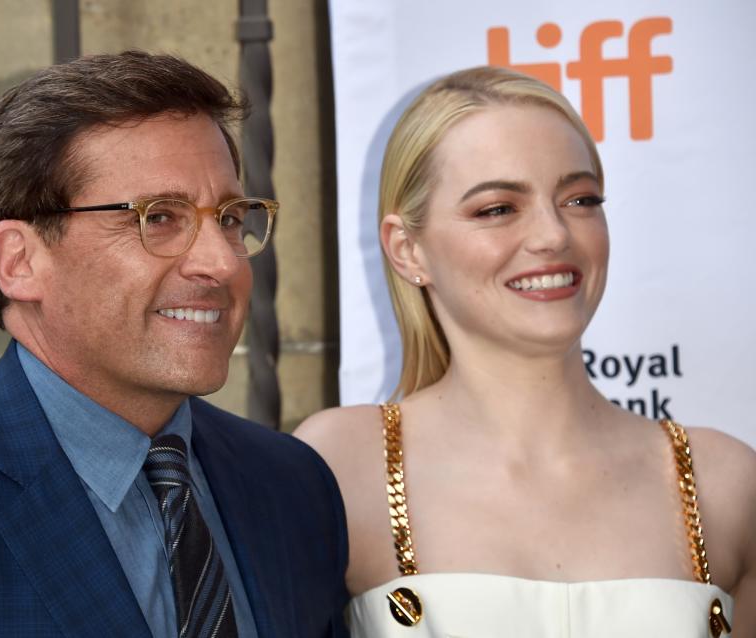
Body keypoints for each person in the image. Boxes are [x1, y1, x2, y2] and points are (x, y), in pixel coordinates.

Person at [0, 51, 349, 637]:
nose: (222, 262)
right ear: (19, 261)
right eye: (158, 217)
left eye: (232, 218)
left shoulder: (292, 486)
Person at [296, 66, 755, 637]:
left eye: (580, 199)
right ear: (407, 248)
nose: (553, 235)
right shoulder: (337, 467)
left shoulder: (725, 483)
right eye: (497, 208)